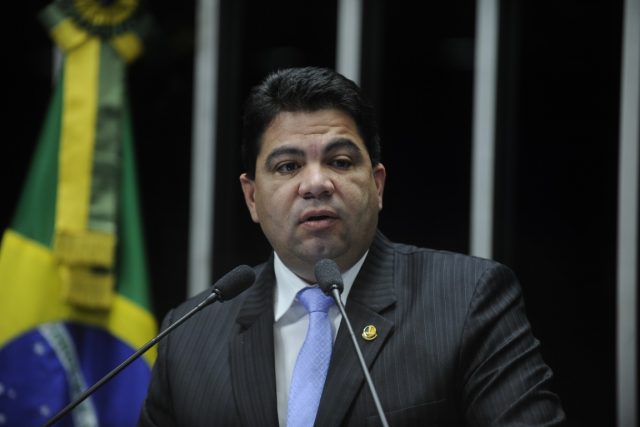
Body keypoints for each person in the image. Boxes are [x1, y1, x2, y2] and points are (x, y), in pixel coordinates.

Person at [138, 67, 565, 426]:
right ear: (252, 197)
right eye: (288, 166)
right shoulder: (189, 336)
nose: (316, 183)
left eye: (340, 162)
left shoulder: (466, 300)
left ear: (377, 185)